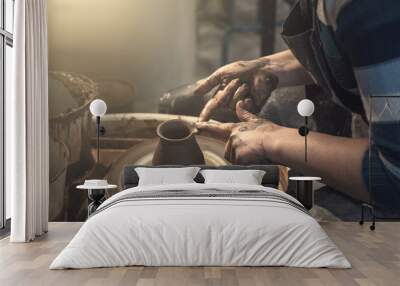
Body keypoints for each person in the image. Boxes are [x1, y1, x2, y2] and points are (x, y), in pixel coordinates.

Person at [194, 0, 400, 209]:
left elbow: (394, 175)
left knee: (301, 219)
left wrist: (269, 138)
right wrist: (270, 69)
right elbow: (359, 45)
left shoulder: (369, 8)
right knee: (184, 103)